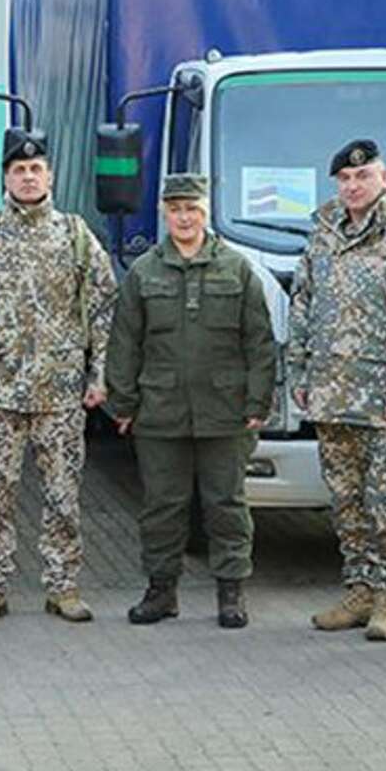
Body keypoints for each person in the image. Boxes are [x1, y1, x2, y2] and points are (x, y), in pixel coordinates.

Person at [0, 128, 118, 626]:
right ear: (5, 176)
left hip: (60, 393)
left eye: (35, 168)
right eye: (18, 169)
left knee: (63, 495)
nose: (27, 176)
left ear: (50, 176)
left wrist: (98, 377)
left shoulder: (75, 235)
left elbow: (103, 310)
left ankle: (63, 587)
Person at [106, 173, 277, 630]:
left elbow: (260, 342)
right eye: (176, 209)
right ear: (164, 213)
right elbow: (124, 343)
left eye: (193, 209)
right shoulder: (145, 271)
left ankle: (231, 592)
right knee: (163, 506)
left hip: (227, 412)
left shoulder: (236, 269)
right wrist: (122, 404)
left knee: (226, 504)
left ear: (205, 212)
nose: (185, 218)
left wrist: (260, 401)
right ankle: (161, 591)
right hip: (159, 411)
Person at [288, 139, 386, 642]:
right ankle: (359, 591)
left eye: (363, 177)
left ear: (384, 179)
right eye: (346, 180)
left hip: (384, 402)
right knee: (347, 503)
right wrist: (300, 373)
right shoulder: (324, 234)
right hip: (333, 394)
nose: (353, 187)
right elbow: (303, 304)